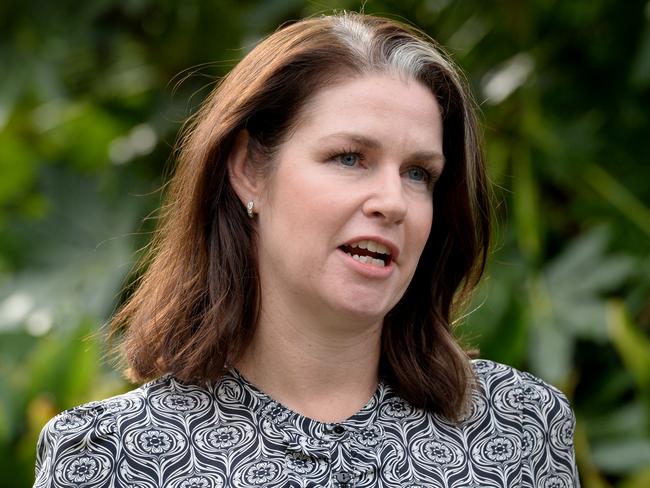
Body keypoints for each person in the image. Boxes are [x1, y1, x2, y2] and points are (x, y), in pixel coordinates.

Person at [33, 12, 580, 488]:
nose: (393, 201)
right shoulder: (105, 457)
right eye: (349, 158)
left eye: (419, 173)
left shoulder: (519, 429)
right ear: (249, 170)